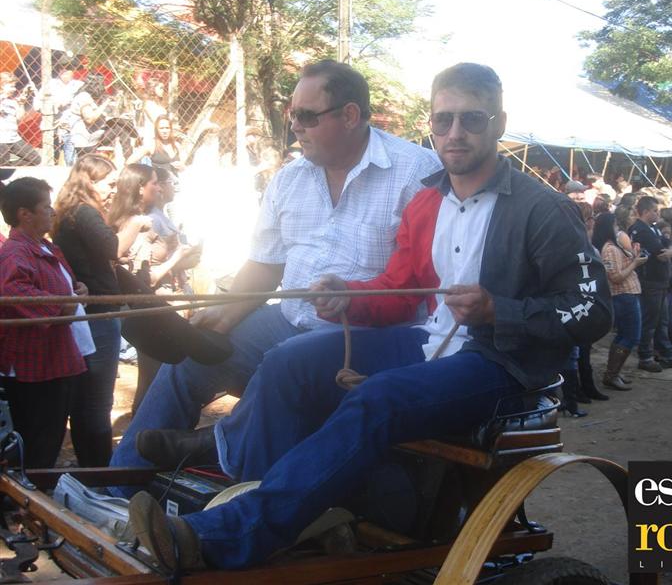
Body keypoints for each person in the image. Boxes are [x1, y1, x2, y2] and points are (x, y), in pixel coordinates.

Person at [126, 62, 612, 572]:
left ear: (499, 124)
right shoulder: (427, 202)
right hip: (429, 343)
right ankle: (264, 509)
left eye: (472, 119)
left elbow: (594, 309)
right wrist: (349, 297)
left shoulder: (542, 208)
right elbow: (401, 292)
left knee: (380, 397)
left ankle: (225, 534)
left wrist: (498, 310)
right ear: (431, 124)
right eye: (443, 120)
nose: (455, 133)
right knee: (290, 360)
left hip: (500, 362)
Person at [109, 60, 442, 476]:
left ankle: (222, 454)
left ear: (350, 115)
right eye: (292, 115)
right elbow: (265, 265)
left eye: (307, 116)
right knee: (187, 358)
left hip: (365, 335)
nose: (295, 127)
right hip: (285, 320)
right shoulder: (289, 179)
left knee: (284, 362)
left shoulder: (417, 171)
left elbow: (422, 281)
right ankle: (116, 487)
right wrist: (224, 314)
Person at [0, 177, 93, 468]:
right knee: (37, 440)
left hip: (55, 359)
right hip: (35, 367)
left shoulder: (44, 247)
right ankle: (30, 491)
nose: (52, 212)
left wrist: (78, 290)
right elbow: (13, 293)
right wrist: (64, 302)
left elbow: (62, 287)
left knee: (49, 436)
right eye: (46, 207)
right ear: (24, 214)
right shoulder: (15, 253)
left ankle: (36, 487)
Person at [108, 164, 200, 413]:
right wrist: (178, 257)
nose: (159, 188)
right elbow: (144, 279)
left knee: (165, 377)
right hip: (153, 310)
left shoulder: (152, 217)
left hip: (168, 306)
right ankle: (140, 431)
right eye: (154, 183)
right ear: (140, 188)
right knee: (153, 380)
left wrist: (187, 259)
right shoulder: (139, 225)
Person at [52, 155, 122, 466]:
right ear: (90, 182)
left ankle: (90, 466)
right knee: (96, 400)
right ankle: (100, 470)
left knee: (84, 397)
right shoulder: (84, 212)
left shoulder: (70, 211)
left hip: (86, 310)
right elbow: (113, 248)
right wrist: (134, 223)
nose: (114, 190)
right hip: (98, 314)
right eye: (109, 184)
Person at [629, 196, 672, 372]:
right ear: (645, 211)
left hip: (660, 280)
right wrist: (669, 249)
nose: (657, 214)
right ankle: (645, 356)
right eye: (654, 211)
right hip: (650, 281)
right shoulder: (640, 230)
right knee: (650, 320)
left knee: (662, 320)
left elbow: (668, 243)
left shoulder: (652, 228)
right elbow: (659, 250)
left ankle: (666, 353)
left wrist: (671, 249)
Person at [593, 212, 647, 390]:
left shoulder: (613, 246)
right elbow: (615, 277)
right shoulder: (609, 249)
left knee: (625, 335)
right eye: (615, 225)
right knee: (631, 335)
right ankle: (612, 374)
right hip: (623, 295)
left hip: (627, 294)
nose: (617, 229)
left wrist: (634, 257)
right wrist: (635, 264)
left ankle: (614, 372)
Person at [0, 73, 41, 166]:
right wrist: (2, 96)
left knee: (36, 159)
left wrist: (21, 103)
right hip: (1, 139)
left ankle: (8, 165)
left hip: (14, 138)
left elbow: (19, 118)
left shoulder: (12, 101)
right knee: (3, 163)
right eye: (11, 86)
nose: (14, 89)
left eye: (14, 86)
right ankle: (4, 165)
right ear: (2, 85)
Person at [128, 115, 184, 181]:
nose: (165, 131)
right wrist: (144, 176)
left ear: (171, 129)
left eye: (167, 128)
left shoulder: (177, 146)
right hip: (158, 184)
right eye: (161, 128)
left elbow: (182, 169)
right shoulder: (152, 145)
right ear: (157, 130)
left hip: (175, 183)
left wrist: (182, 167)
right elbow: (129, 162)